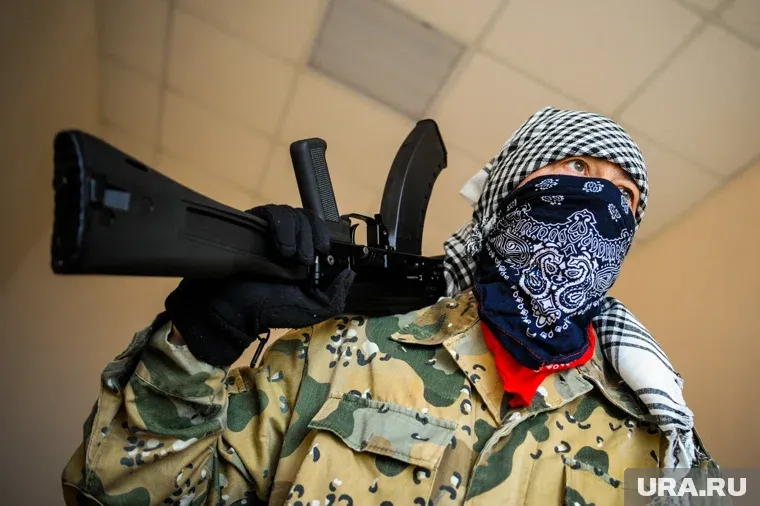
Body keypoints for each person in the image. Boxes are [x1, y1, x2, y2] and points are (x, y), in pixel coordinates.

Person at [62, 107, 717, 506]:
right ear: (508, 189)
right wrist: (202, 333)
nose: (602, 201)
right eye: (577, 169)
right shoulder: (340, 354)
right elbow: (121, 492)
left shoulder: (664, 443)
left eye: (626, 196)